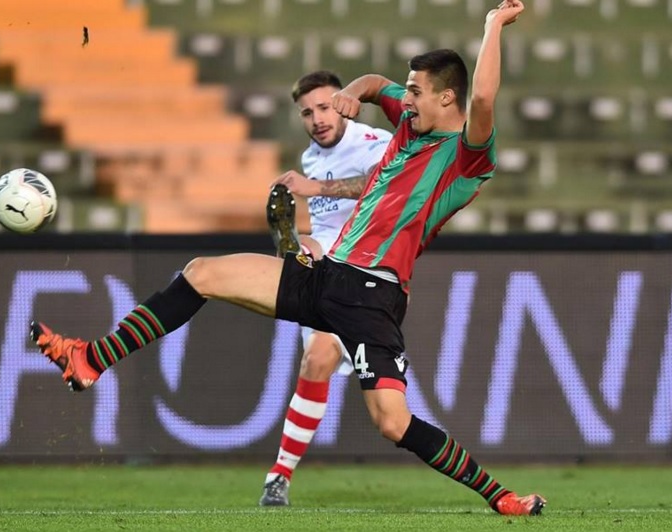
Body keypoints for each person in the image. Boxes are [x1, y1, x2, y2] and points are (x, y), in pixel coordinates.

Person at [30, 0, 546, 516]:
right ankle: (90, 360)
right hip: (328, 277)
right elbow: (373, 84)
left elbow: (483, 95)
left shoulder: (467, 156)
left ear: (446, 97)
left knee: (392, 422)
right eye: (407, 91)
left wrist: (493, 25)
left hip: (373, 295)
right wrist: (349, 94)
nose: (405, 99)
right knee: (201, 274)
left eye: (414, 91)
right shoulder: (412, 124)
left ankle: (499, 496)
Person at [261, 70, 393, 506]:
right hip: (329, 269)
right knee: (315, 362)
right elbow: (327, 228)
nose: (317, 119)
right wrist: (303, 243)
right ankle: (279, 476)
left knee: (390, 420)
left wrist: (313, 187)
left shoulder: (372, 141)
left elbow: (383, 186)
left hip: (366, 275)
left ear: (343, 104)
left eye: (323, 107)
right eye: (307, 112)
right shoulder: (311, 157)